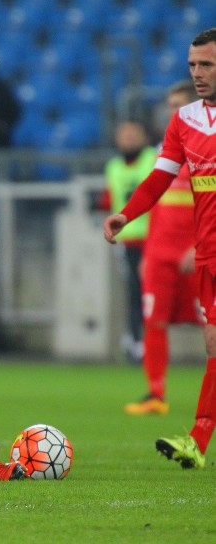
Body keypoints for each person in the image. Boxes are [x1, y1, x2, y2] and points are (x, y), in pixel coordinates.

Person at [103, 28, 216, 469]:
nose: (198, 72)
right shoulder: (185, 120)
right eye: (193, 65)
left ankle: (197, 439)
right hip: (207, 254)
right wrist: (126, 215)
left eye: (206, 64)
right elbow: (159, 178)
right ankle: (196, 438)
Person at [125, 80, 203, 416]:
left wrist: (200, 245)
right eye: (169, 106)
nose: (171, 112)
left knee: (210, 323)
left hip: (197, 252)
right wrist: (147, 253)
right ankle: (156, 394)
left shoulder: (206, 149)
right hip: (159, 254)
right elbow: (154, 204)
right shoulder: (162, 152)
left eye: (178, 106)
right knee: (152, 321)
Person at [103, 120, 157, 361]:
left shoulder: (152, 158)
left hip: (154, 238)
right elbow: (111, 197)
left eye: (133, 134)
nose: (128, 139)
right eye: (123, 134)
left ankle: (145, 341)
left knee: (151, 294)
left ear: (145, 137)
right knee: (134, 293)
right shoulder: (113, 166)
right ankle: (137, 341)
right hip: (128, 242)